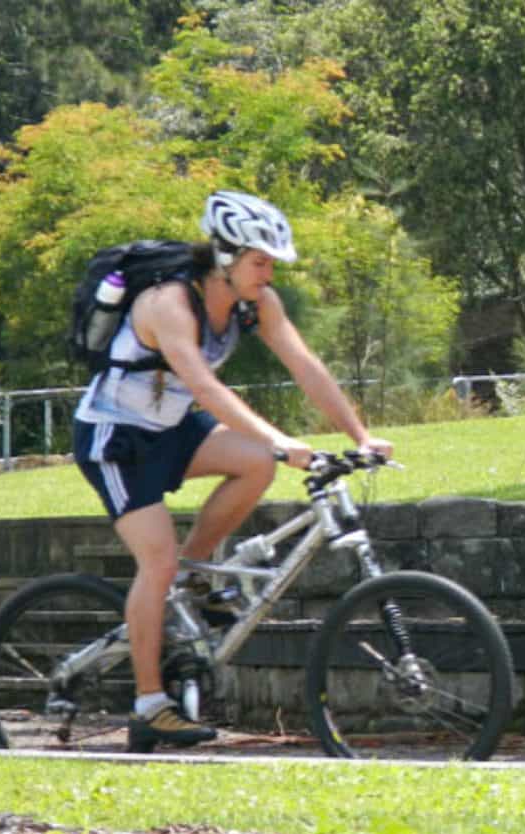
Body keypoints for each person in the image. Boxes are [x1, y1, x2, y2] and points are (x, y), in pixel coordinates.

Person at [72, 190, 393, 751]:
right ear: (224, 256)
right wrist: (280, 440)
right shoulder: (168, 302)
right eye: (260, 262)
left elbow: (304, 365)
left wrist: (360, 436)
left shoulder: (257, 302)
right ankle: (150, 705)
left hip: (172, 428)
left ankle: (196, 579)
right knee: (157, 558)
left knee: (254, 467)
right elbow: (203, 385)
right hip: (116, 437)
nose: (269, 273)